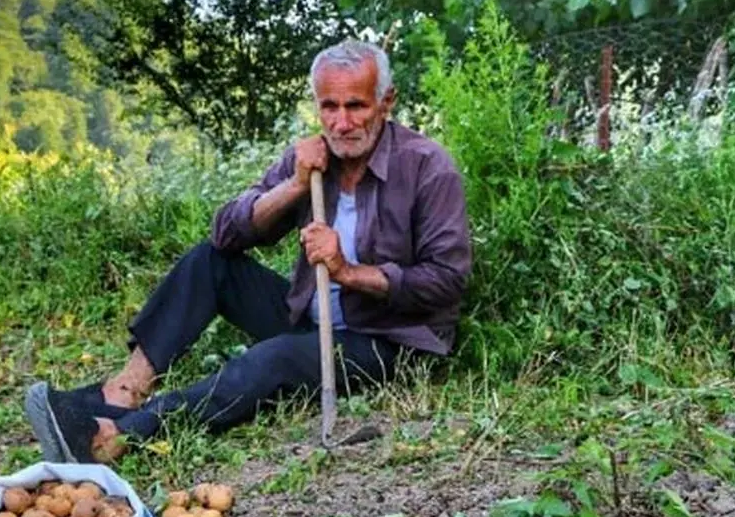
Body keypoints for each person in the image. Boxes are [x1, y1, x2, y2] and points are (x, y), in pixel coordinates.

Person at [25, 39, 472, 464]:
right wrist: (294, 185)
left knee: (272, 358)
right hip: (309, 319)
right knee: (209, 261)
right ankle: (122, 393)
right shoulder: (310, 158)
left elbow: (447, 283)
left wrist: (348, 271)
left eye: (356, 106)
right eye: (329, 107)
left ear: (386, 102)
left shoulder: (428, 167)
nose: (341, 123)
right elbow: (227, 234)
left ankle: (118, 436)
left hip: (386, 341)